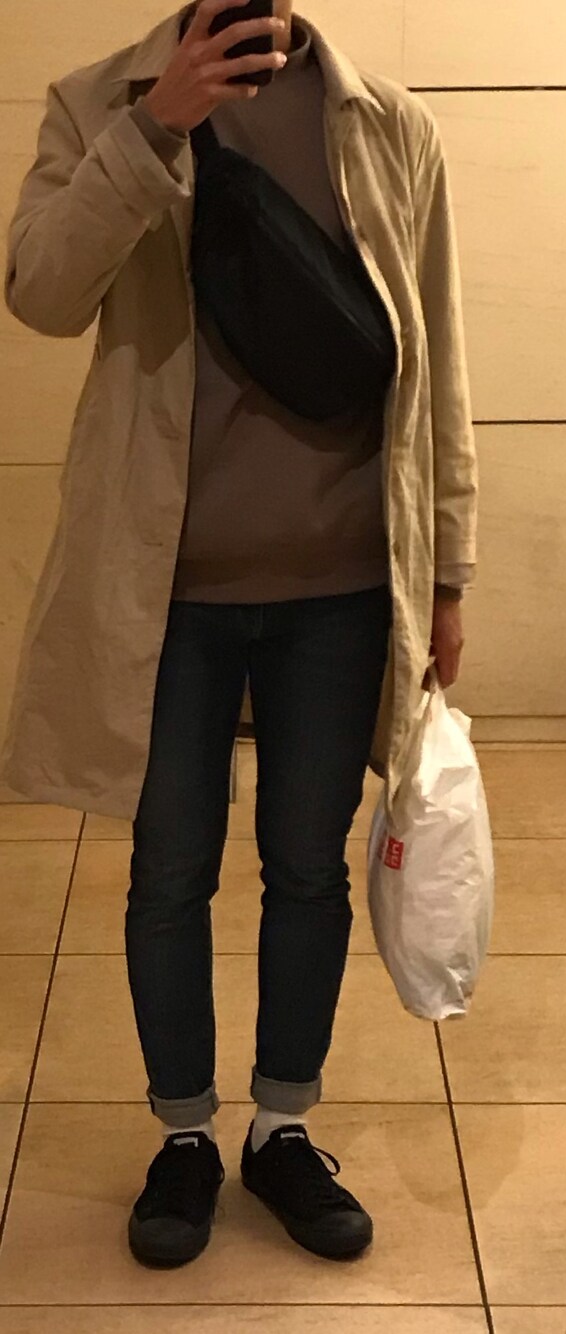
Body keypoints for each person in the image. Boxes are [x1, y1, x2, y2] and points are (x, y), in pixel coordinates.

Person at [2, 0, 478, 1269]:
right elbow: (41, 292)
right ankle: (182, 1133)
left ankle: (279, 1125)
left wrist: (449, 567)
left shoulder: (386, 124)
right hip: (161, 592)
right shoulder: (97, 103)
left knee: (308, 868)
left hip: (341, 583)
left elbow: (435, 352)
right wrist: (155, 127)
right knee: (169, 871)